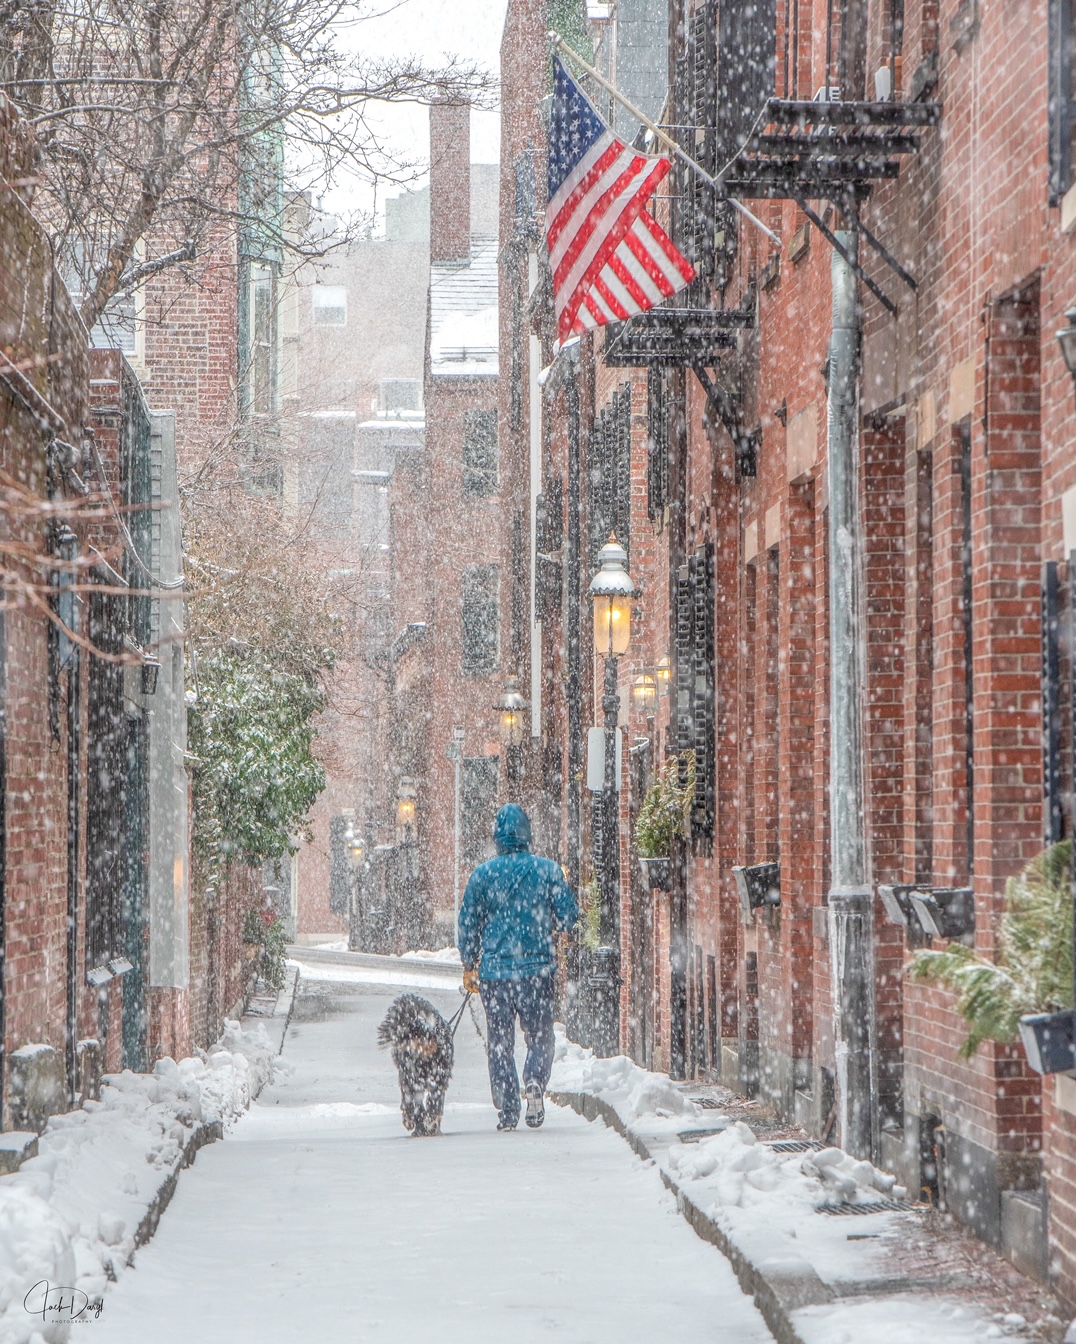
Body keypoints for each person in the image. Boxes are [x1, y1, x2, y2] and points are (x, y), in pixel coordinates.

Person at [458, 803, 578, 1131]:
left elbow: (468, 922)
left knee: (499, 1041)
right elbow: (568, 917)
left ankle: (508, 1108)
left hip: (496, 974)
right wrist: (549, 923)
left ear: (496, 836)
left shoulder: (481, 876)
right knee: (540, 1036)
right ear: (527, 833)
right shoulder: (548, 870)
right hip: (537, 970)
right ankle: (535, 1080)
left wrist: (469, 962)